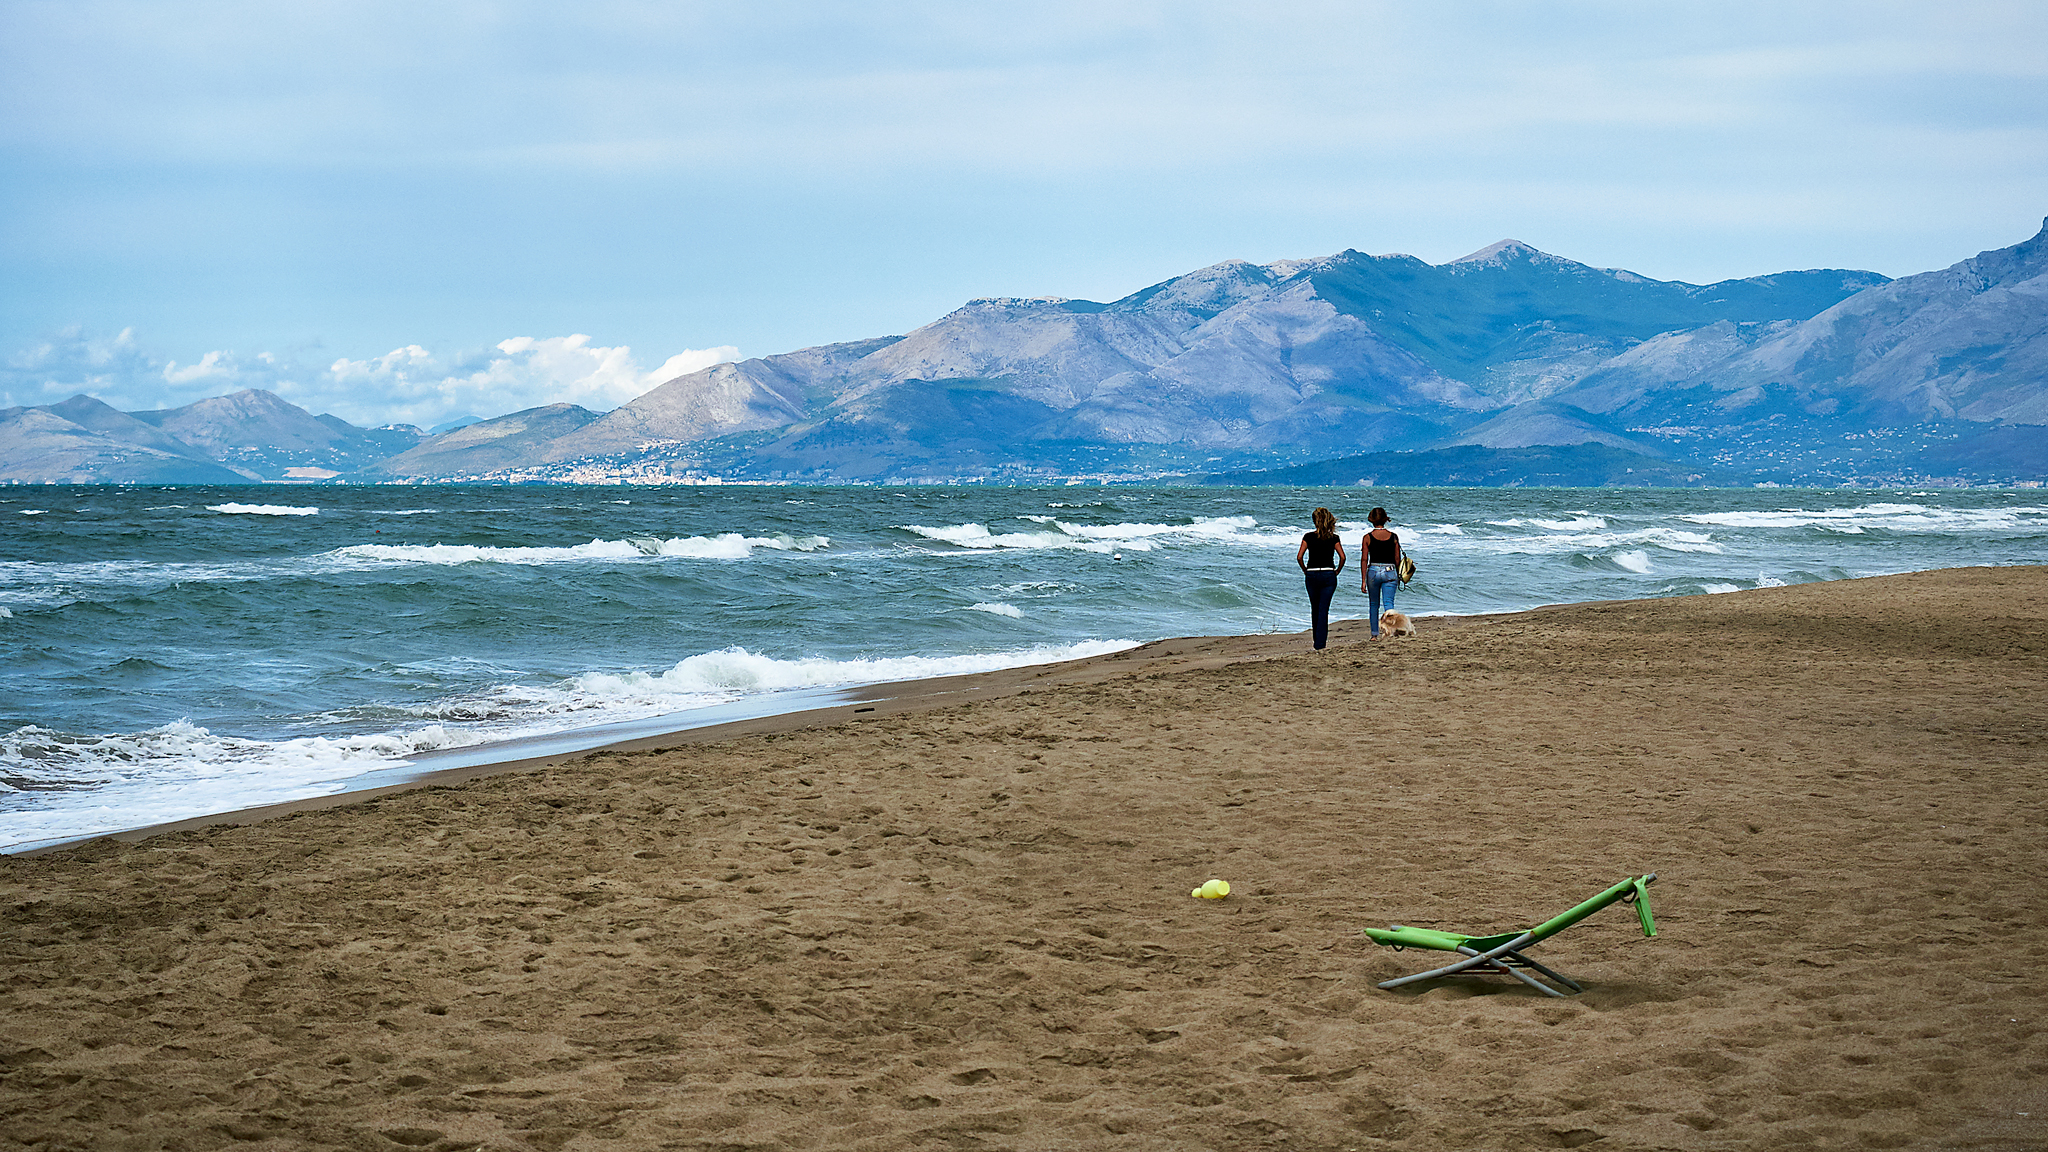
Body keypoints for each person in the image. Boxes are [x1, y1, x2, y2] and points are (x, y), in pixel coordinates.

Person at [1295, 507, 1345, 650]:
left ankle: (1316, 641)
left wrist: (1305, 570)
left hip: (1312, 573)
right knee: (1324, 610)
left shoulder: (1308, 537)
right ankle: (1320, 644)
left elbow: (1299, 557)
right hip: (1329, 573)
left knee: (1315, 608)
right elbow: (1342, 557)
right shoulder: (1334, 538)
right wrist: (1337, 571)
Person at [1361, 506, 1402, 639]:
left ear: (1371, 519)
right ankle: (1390, 631)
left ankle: (1374, 634)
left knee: (1374, 604)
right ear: (1385, 519)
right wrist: (1399, 574)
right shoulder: (1394, 536)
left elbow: (1364, 559)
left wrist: (1363, 580)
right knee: (1389, 603)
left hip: (1373, 570)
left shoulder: (1367, 537)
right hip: (1390, 570)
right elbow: (1397, 558)